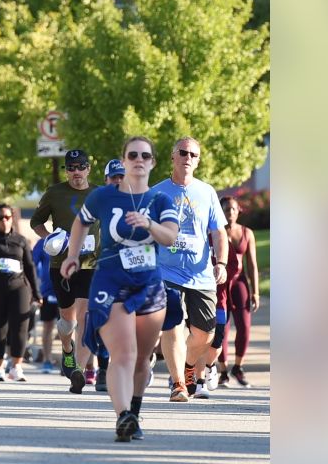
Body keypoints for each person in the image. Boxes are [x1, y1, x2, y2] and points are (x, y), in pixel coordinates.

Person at [62, 135, 179, 443]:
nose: (138, 159)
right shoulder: (103, 196)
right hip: (111, 281)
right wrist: (72, 256)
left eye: (145, 155)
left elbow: (169, 237)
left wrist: (148, 224)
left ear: (152, 162)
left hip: (149, 284)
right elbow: (80, 223)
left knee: (142, 358)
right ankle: (122, 415)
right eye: (132, 155)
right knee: (122, 354)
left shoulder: (161, 201)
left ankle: (134, 413)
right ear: (124, 160)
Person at [151, 136, 229, 402]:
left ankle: (187, 366)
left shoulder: (206, 192)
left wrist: (221, 263)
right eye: (183, 153)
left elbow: (218, 232)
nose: (188, 158)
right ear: (173, 156)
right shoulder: (157, 193)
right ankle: (177, 384)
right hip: (166, 272)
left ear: (198, 161)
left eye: (193, 155)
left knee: (205, 333)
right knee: (172, 325)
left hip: (201, 274)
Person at [29, 148, 99, 394]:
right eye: (71, 168)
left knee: (85, 318)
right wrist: (50, 239)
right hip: (62, 265)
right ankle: (67, 349)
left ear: (88, 168)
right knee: (67, 322)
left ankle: (78, 370)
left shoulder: (98, 194)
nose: (76, 172)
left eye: (81, 166)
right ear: (66, 171)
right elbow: (35, 220)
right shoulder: (54, 193)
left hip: (91, 265)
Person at [0, 203, 39, 382]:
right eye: (0, 218)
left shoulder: (20, 240)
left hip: (19, 289)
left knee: (20, 327)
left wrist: (36, 293)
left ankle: (16, 366)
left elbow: (29, 267)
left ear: (12, 218)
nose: (4, 221)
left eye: (7, 217)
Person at [216, 195, 260, 387]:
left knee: (244, 326)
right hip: (221, 283)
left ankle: (238, 367)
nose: (230, 213)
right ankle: (223, 370)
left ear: (238, 211)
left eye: (233, 209)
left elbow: (252, 264)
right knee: (222, 327)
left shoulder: (247, 232)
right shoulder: (215, 232)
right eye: (226, 210)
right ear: (221, 211)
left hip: (240, 282)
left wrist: (255, 291)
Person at [31, 234, 60, 374]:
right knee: (48, 327)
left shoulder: (73, 237)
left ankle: (69, 361)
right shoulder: (44, 242)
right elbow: (32, 264)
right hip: (47, 291)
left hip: (67, 291)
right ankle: (47, 360)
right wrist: (34, 289)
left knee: (69, 327)